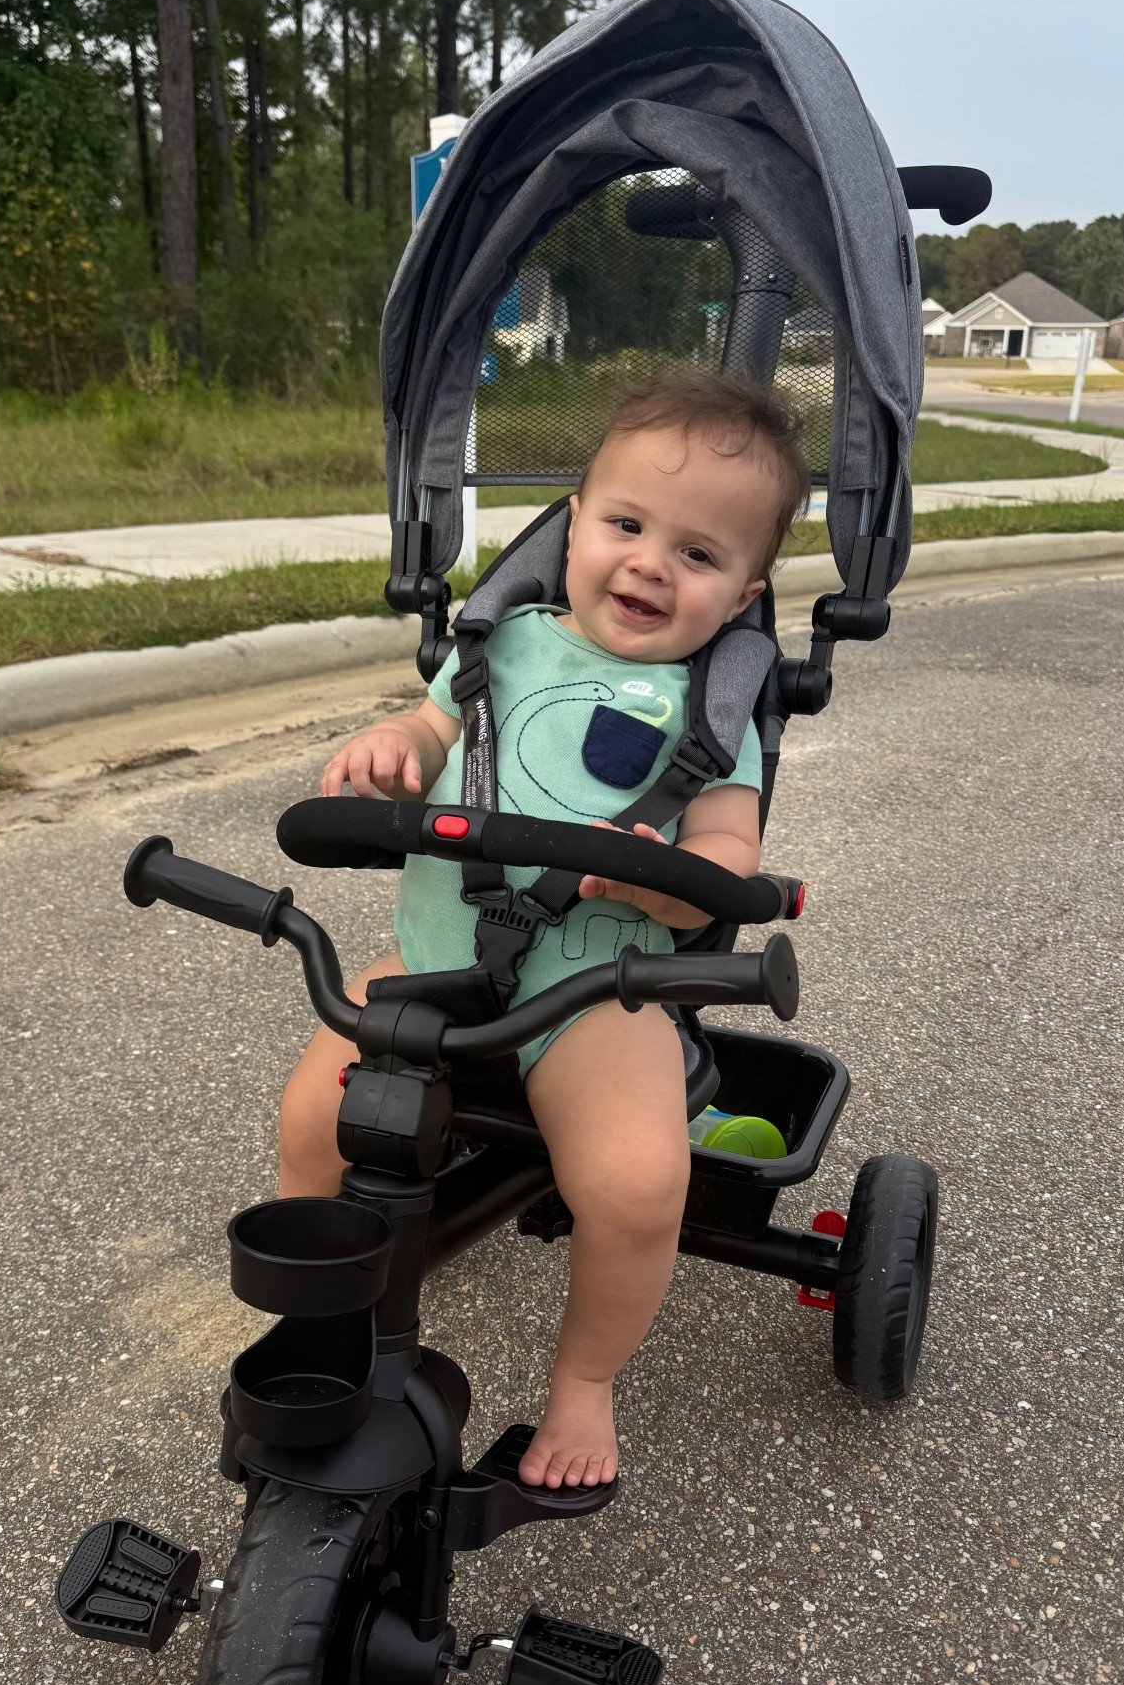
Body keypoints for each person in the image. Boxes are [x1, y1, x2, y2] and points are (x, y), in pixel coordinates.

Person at [276, 373, 809, 1491]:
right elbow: (427, 736)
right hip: (437, 963)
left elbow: (729, 851)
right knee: (311, 1118)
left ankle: (584, 1382)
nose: (651, 564)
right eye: (625, 525)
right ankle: (324, 1317)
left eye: (700, 555)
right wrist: (390, 753)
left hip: (595, 991)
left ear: (746, 591)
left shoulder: (712, 708)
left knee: (634, 1182)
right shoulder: (497, 645)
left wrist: (688, 886)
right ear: (571, 526)